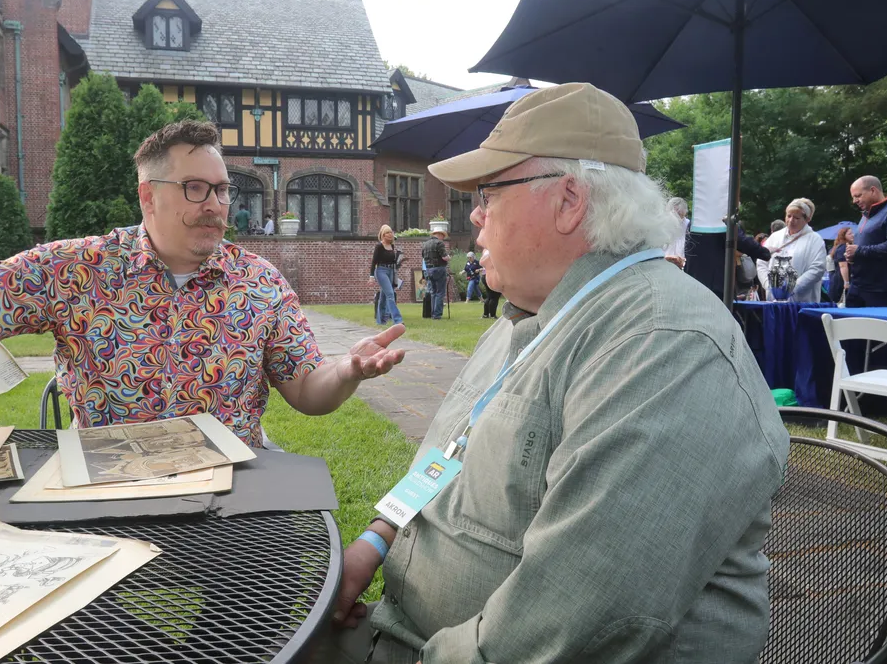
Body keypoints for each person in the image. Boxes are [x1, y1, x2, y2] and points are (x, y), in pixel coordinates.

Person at [314, 83, 788, 663]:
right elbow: (449, 453)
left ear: (569, 200)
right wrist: (375, 540)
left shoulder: (660, 345)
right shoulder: (531, 315)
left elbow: (578, 625)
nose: (475, 216)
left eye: (489, 192)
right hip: (404, 631)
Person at [0, 119, 406, 447]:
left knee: (268, 620)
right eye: (196, 189)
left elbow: (306, 391)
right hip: (107, 496)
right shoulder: (74, 269)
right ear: (147, 195)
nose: (217, 205)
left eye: (224, 189)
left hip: (233, 496)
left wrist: (347, 369)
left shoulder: (259, 282)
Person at [845, 176, 887, 307]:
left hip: (883, 290)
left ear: (873, 190)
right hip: (859, 286)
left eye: (858, 196)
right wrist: (853, 256)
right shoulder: (865, 216)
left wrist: (859, 251)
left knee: (878, 327)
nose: (854, 201)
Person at [757, 198, 827, 302]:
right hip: (773, 300)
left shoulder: (815, 240)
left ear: (807, 219)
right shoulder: (775, 237)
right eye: (788, 216)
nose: (791, 220)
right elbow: (761, 262)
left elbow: (817, 268)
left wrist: (792, 288)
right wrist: (768, 285)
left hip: (802, 301)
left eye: (796, 218)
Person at [369, 225, 403, 326]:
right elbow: (374, 262)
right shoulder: (379, 246)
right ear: (383, 235)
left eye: (391, 232)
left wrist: (399, 260)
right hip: (381, 271)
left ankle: (381, 321)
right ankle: (398, 320)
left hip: (391, 271)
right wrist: (371, 276)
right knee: (390, 294)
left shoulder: (392, 246)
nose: (390, 234)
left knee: (383, 297)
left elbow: (392, 260)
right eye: (387, 233)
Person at [421, 225, 450, 320]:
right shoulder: (439, 243)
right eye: (443, 236)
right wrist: (449, 258)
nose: (443, 238)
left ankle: (433, 313)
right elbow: (444, 257)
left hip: (428, 270)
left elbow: (423, 257)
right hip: (439, 269)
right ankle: (437, 314)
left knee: (433, 292)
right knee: (440, 292)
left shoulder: (425, 244)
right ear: (440, 235)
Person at [827, 227, 854, 304]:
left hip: (839, 279)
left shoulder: (843, 247)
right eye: (850, 234)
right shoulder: (843, 248)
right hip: (840, 281)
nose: (853, 235)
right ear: (843, 236)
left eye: (852, 233)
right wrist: (846, 282)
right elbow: (843, 266)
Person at [663, 197, 690, 269]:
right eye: (675, 215)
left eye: (680, 215)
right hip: (664, 265)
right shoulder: (662, 226)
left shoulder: (689, 225)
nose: (677, 219)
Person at [479, 250, 501, 319]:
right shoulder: (494, 251)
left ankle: (485, 314)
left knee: (489, 296)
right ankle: (492, 315)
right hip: (492, 275)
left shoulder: (485, 251)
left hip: (484, 275)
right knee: (495, 296)